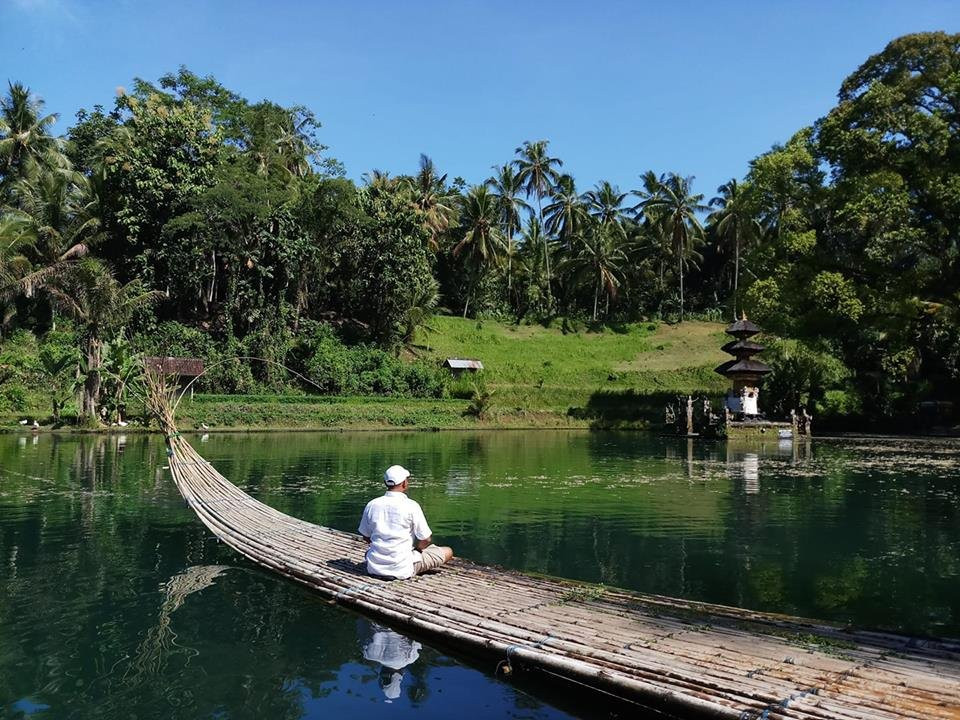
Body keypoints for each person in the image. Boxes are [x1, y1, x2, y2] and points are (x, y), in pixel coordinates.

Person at [358, 465, 453, 579]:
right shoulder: (411, 505)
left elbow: (366, 536)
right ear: (404, 483)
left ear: (385, 482)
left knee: (369, 552)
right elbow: (426, 539)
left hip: (374, 568)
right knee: (447, 551)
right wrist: (418, 551)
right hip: (402, 569)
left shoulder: (372, 504)